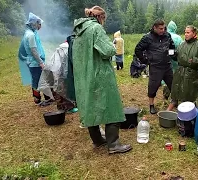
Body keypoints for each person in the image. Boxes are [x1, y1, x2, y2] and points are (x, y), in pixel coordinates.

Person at [72, 5, 132, 154]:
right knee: (112, 106)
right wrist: (113, 45)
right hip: (100, 75)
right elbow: (107, 51)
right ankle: (114, 144)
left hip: (84, 75)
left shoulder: (79, 31)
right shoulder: (96, 29)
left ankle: (97, 139)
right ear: (100, 17)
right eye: (104, 19)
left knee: (91, 106)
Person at [135, 19, 176, 114]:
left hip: (167, 66)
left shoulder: (167, 35)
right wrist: (145, 60)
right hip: (155, 67)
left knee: (173, 85)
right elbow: (138, 49)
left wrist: (172, 55)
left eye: (164, 28)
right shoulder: (147, 38)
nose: (163, 30)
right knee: (153, 86)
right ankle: (151, 105)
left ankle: (174, 101)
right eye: (160, 29)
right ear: (155, 28)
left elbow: (171, 47)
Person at [167, 25, 198, 111]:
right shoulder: (182, 44)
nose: (185, 34)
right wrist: (172, 54)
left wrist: (194, 60)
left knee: (189, 94)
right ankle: (172, 107)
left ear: (194, 33)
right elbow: (177, 56)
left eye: (188, 32)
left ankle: (189, 112)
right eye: (185, 32)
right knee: (176, 91)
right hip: (179, 71)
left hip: (191, 73)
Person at [18, 12, 53, 106]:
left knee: (38, 80)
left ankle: (45, 98)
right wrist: (40, 62)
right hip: (35, 62)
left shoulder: (30, 32)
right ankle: (40, 99)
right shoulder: (31, 35)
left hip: (33, 61)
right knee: (38, 80)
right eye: (39, 24)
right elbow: (33, 50)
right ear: (33, 23)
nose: (40, 26)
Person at [162, 20, 184, 100]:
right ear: (175, 28)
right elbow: (181, 49)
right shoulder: (178, 38)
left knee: (166, 76)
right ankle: (174, 97)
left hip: (165, 59)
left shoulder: (164, 35)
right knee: (175, 77)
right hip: (175, 60)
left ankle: (165, 94)